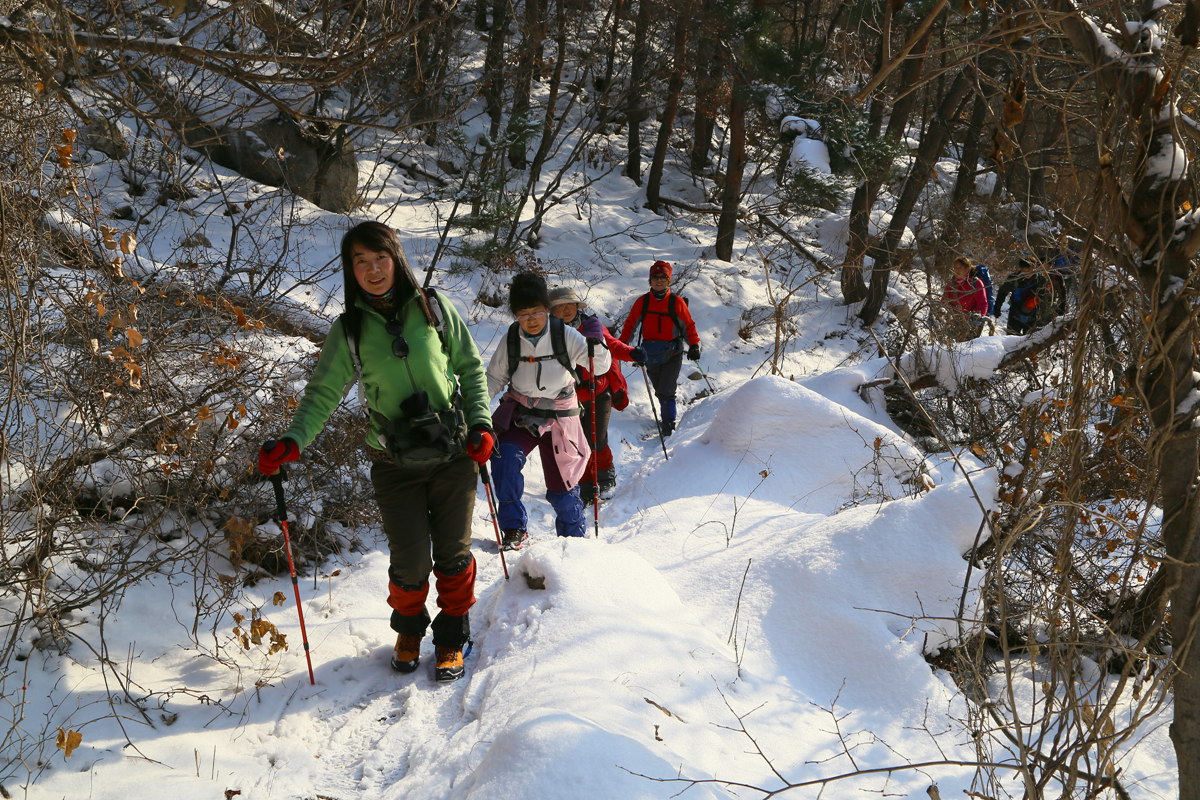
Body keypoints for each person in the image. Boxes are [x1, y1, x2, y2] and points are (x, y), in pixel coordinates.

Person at [256, 221, 493, 683]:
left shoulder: (434, 309)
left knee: (453, 553)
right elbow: (321, 393)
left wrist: (481, 423)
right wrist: (292, 441)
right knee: (409, 560)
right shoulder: (350, 330)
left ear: (396, 258)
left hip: (451, 456)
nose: (372, 269)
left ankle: (451, 635)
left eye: (379, 258)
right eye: (359, 261)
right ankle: (408, 633)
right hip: (393, 463)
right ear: (350, 270)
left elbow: (470, 368)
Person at [487, 272, 607, 550]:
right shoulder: (512, 339)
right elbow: (494, 378)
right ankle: (514, 528)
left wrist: (596, 345)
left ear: (547, 310)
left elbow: (598, 366)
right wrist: (477, 405)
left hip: (560, 418)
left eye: (537, 312)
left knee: (563, 487)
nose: (531, 319)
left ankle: (572, 540)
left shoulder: (565, 335)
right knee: (504, 461)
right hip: (521, 413)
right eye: (523, 314)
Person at [548, 286, 643, 506]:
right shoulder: (548, 334)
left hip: (597, 394)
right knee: (576, 444)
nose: (565, 310)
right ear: (552, 312)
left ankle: (605, 473)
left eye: (568, 305)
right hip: (567, 398)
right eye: (559, 307)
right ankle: (586, 484)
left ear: (577, 306)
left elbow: (613, 346)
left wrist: (632, 353)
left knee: (595, 440)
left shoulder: (592, 327)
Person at [617, 260, 701, 436]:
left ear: (669, 280)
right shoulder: (643, 302)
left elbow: (688, 325)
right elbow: (630, 325)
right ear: (650, 280)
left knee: (667, 389)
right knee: (659, 389)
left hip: (673, 352)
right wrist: (622, 346)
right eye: (655, 277)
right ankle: (666, 414)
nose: (659, 280)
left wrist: (693, 345)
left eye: (663, 277)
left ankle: (669, 424)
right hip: (651, 353)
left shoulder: (676, 302)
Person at [994, 259, 1052, 335]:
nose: (1027, 274)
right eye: (1024, 271)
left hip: (1033, 316)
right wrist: (997, 308)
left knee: (1030, 343)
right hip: (1015, 314)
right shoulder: (1014, 278)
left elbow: (1046, 299)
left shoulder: (1041, 280)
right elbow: (1002, 292)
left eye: (1029, 271)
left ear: (1034, 268)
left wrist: (1044, 318)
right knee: (1011, 341)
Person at [942, 256, 989, 340]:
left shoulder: (976, 283)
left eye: (960, 267)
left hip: (972, 322)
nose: (957, 270)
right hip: (955, 321)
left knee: (968, 349)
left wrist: (976, 318)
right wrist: (944, 313)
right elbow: (944, 302)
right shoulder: (950, 284)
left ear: (967, 269)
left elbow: (983, 304)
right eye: (955, 268)